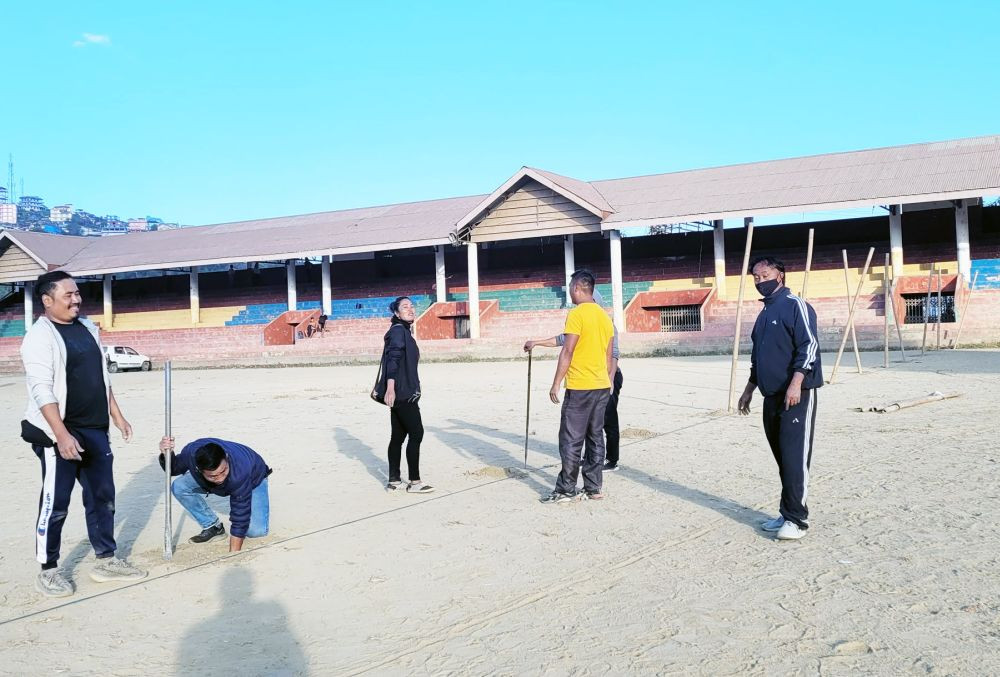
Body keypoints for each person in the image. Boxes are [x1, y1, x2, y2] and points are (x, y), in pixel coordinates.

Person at [20, 270, 147, 598]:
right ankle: (48, 570)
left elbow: (100, 378)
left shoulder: (88, 328)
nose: (76, 299)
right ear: (47, 301)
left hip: (95, 429)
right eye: (68, 295)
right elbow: (41, 390)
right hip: (58, 431)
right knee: (56, 502)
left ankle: (106, 558)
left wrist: (117, 415)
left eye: (77, 294)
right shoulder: (39, 336)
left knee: (103, 496)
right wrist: (61, 436)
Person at [737, 256, 822, 541]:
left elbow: (809, 346)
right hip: (770, 394)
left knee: (795, 457)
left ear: (780, 275)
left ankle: (797, 520)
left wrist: (796, 383)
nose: (760, 281)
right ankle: (786, 513)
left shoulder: (795, 306)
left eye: (764, 274)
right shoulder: (763, 314)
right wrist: (749, 388)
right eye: (755, 277)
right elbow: (758, 356)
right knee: (782, 457)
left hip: (796, 394)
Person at [524, 292, 623, 471]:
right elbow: (562, 339)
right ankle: (591, 459)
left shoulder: (606, 323)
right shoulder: (582, 321)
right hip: (589, 378)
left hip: (607, 377)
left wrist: (610, 379)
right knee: (590, 423)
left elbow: (614, 354)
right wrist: (536, 342)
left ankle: (612, 459)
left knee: (607, 419)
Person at [542, 270, 615, 503]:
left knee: (571, 439)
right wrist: (605, 380)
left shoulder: (577, 314)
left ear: (577, 288)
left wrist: (556, 383)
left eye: (571, 286)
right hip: (601, 385)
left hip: (580, 386)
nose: (570, 291)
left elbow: (568, 350)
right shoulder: (605, 317)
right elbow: (608, 354)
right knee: (595, 437)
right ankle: (593, 487)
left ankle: (565, 489)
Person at [158, 436, 272, 552]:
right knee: (179, 487)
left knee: (256, 532)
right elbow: (174, 468)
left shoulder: (240, 473)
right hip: (213, 479)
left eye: (223, 471)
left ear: (226, 458)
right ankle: (213, 527)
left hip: (254, 478)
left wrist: (233, 554)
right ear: (198, 469)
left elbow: (240, 516)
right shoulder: (191, 452)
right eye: (213, 476)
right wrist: (167, 453)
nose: (220, 478)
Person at [380, 296, 433, 494]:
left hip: (402, 390)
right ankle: (415, 482)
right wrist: (391, 387)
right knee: (416, 433)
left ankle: (394, 480)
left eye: (411, 306)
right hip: (402, 392)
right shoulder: (398, 332)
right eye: (405, 307)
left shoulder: (402, 331)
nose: (410, 309)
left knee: (398, 436)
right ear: (396, 313)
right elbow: (392, 360)